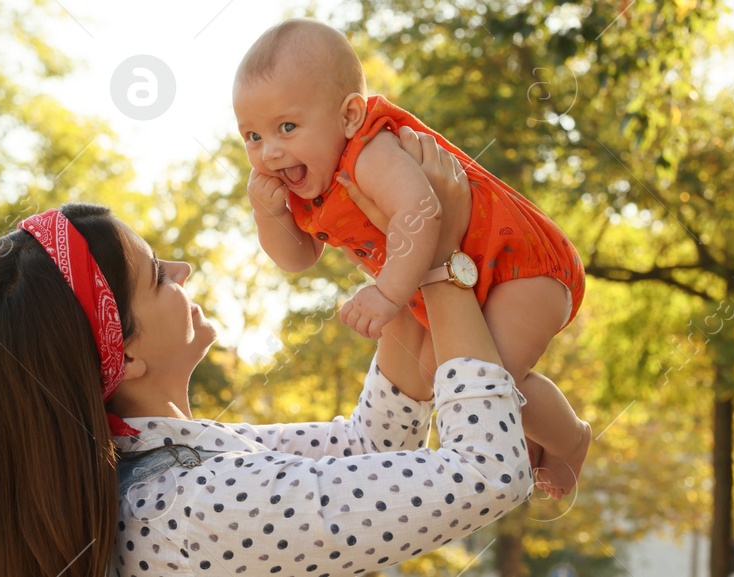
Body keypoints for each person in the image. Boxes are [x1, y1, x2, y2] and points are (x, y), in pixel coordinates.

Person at [0, 131, 533, 576]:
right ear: (122, 355)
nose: (182, 271)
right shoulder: (194, 504)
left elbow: (367, 448)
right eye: (155, 276)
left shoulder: (174, 461)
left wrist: (407, 246)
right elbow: (489, 473)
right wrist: (442, 263)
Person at [234, 17, 591, 496]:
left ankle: (569, 438)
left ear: (348, 116)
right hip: (448, 278)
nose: (270, 152)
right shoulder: (303, 182)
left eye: (287, 127)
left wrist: (387, 294)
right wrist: (268, 217)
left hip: (516, 266)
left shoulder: (369, 151)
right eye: (253, 137)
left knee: (486, 381)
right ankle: (532, 432)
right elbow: (299, 259)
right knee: (461, 387)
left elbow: (421, 211)